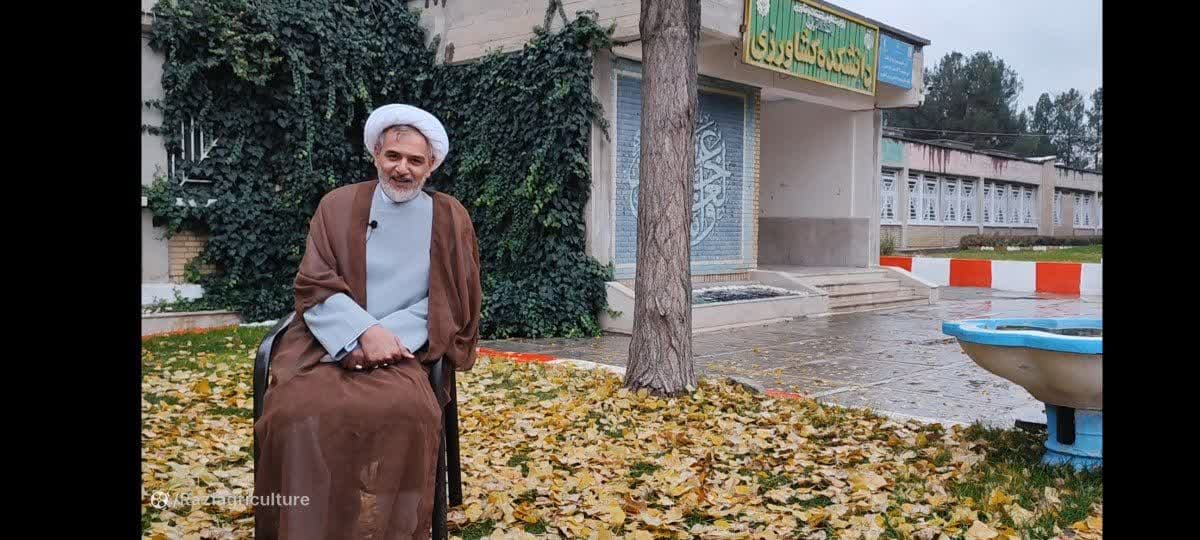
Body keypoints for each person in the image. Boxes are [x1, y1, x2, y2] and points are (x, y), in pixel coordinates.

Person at [253, 104, 481, 539]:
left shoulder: (451, 217)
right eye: (393, 156)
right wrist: (360, 333)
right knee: (293, 412)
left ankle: (397, 528)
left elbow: (454, 298)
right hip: (327, 343)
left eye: (415, 160)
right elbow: (314, 282)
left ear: (431, 166)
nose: (402, 169)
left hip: (405, 350)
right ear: (376, 154)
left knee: (411, 411)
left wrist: (386, 338)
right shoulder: (337, 205)